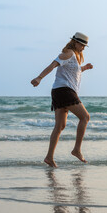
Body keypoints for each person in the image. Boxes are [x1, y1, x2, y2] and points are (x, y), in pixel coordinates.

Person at [31, 32, 93, 167]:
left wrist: (84, 68)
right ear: (75, 42)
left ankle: (49, 157)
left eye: (84, 46)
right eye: (82, 45)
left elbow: (72, 72)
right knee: (85, 117)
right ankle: (77, 150)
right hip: (65, 91)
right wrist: (39, 78)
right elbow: (53, 65)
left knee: (60, 126)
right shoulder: (69, 53)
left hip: (60, 91)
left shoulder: (74, 57)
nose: (83, 48)